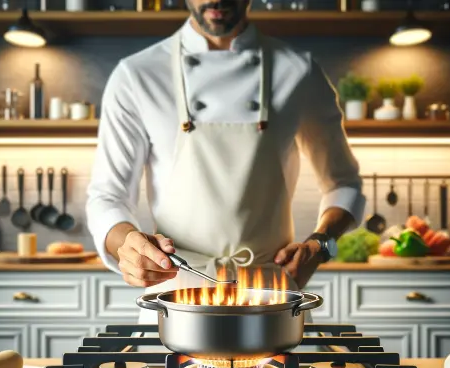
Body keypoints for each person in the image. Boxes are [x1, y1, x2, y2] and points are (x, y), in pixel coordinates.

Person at [86, 0, 365, 323]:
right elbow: (108, 196)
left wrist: (320, 245)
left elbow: (344, 182)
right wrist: (128, 245)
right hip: (175, 293)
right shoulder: (137, 75)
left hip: (269, 296)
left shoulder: (299, 71)